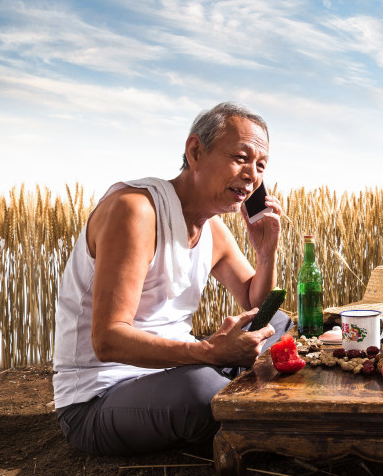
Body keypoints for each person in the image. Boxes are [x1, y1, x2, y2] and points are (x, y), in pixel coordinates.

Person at [53, 102, 293, 456]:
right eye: (241, 157)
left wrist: (265, 251)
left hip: (177, 369)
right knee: (202, 392)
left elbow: (256, 303)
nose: (251, 174)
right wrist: (209, 352)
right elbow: (107, 340)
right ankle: (230, 393)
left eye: (260, 166)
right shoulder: (135, 210)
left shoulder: (214, 230)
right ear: (195, 151)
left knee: (276, 321)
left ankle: (230, 391)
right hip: (100, 396)